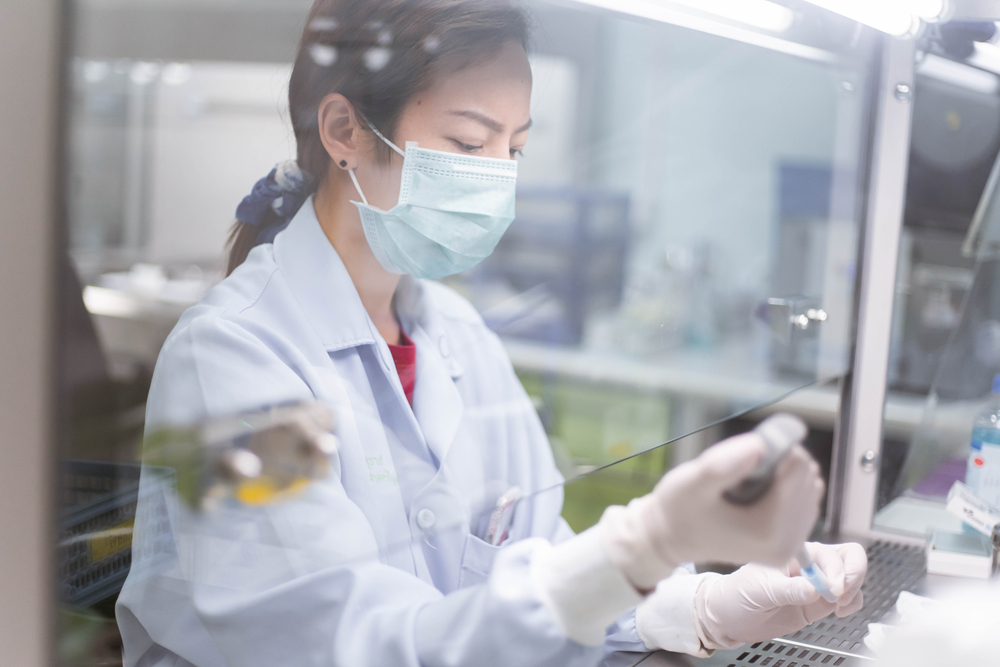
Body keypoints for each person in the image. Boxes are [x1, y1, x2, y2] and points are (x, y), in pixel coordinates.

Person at [116, 1, 867, 665]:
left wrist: (691, 607)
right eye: (471, 145)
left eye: (514, 148)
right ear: (346, 129)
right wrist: (643, 544)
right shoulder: (231, 361)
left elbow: (543, 567)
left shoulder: (455, 334)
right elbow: (353, 644)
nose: (497, 178)